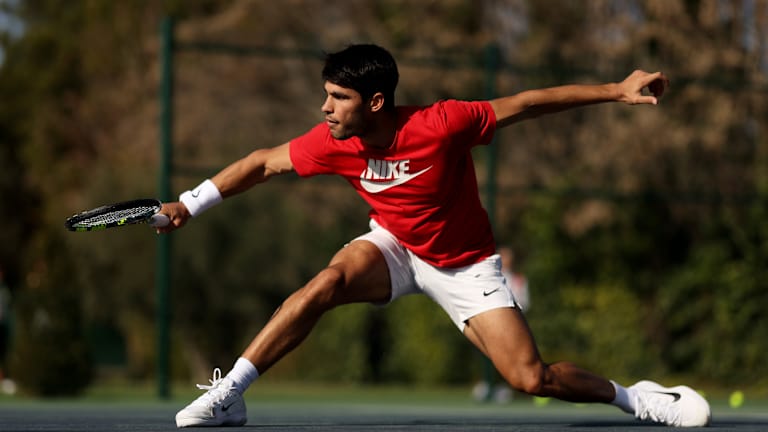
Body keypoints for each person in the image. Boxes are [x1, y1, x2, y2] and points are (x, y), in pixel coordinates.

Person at [159, 44, 710, 428]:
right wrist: (188, 203)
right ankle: (230, 394)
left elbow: (529, 103)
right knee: (323, 284)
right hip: (395, 247)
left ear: (375, 102)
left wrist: (616, 90)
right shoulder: (333, 140)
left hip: (466, 266)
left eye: (338, 98)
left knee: (529, 377)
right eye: (325, 95)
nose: (325, 108)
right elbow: (261, 163)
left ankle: (637, 398)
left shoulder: (441, 124)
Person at [498, 247, 529, 311]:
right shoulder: (495, 278)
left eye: (507, 257)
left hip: (515, 314)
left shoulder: (519, 279)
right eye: (503, 256)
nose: (505, 260)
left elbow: (524, 302)